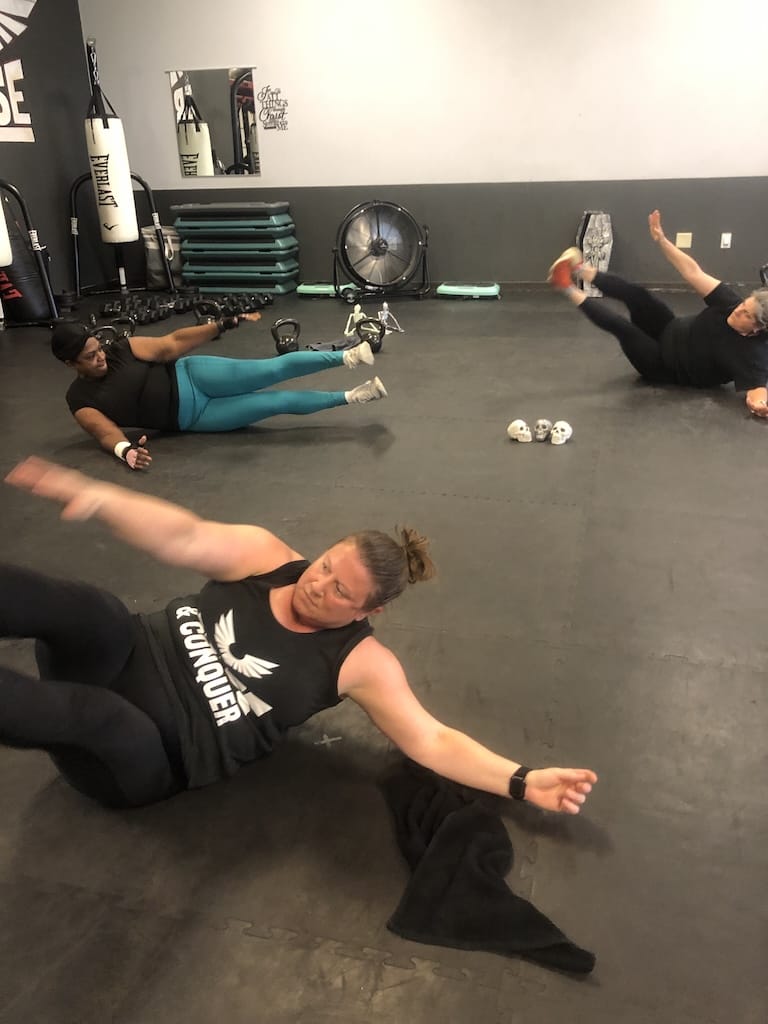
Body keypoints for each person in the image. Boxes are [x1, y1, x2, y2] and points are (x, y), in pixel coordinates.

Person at [1, 456, 597, 814]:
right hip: (127, 654)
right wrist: (99, 496)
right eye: (326, 565)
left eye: (341, 592)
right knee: (94, 609)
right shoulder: (266, 556)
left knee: (95, 713)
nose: (318, 585)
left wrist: (521, 781)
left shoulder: (362, 663)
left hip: (141, 754)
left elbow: (431, 739)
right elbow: (183, 535)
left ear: (370, 610)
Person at [51, 314, 388, 471]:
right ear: (70, 363)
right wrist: (125, 451)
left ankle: (348, 356)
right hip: (195, 418)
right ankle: (354, 395)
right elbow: (104, 431)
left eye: (98, 348)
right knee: (276, 403)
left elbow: (172, 343)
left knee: (270, 370)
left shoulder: (122, 349)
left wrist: (219, 325)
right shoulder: (79, 399)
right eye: (89, 357)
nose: (100, 357)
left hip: (194, 376)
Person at [547, 210, 768, 417]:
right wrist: (662, 239)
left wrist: (759, 405)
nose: (738, 310)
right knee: (637, 294)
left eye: (747, 315)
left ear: (757, 329)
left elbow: (758, 392)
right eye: (744, 304)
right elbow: (692, 271)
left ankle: (565, 285)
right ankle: (578, 268)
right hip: (669, 328)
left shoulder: (753, 355)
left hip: (663, 365)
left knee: (623, 328)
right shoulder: (730, 302)